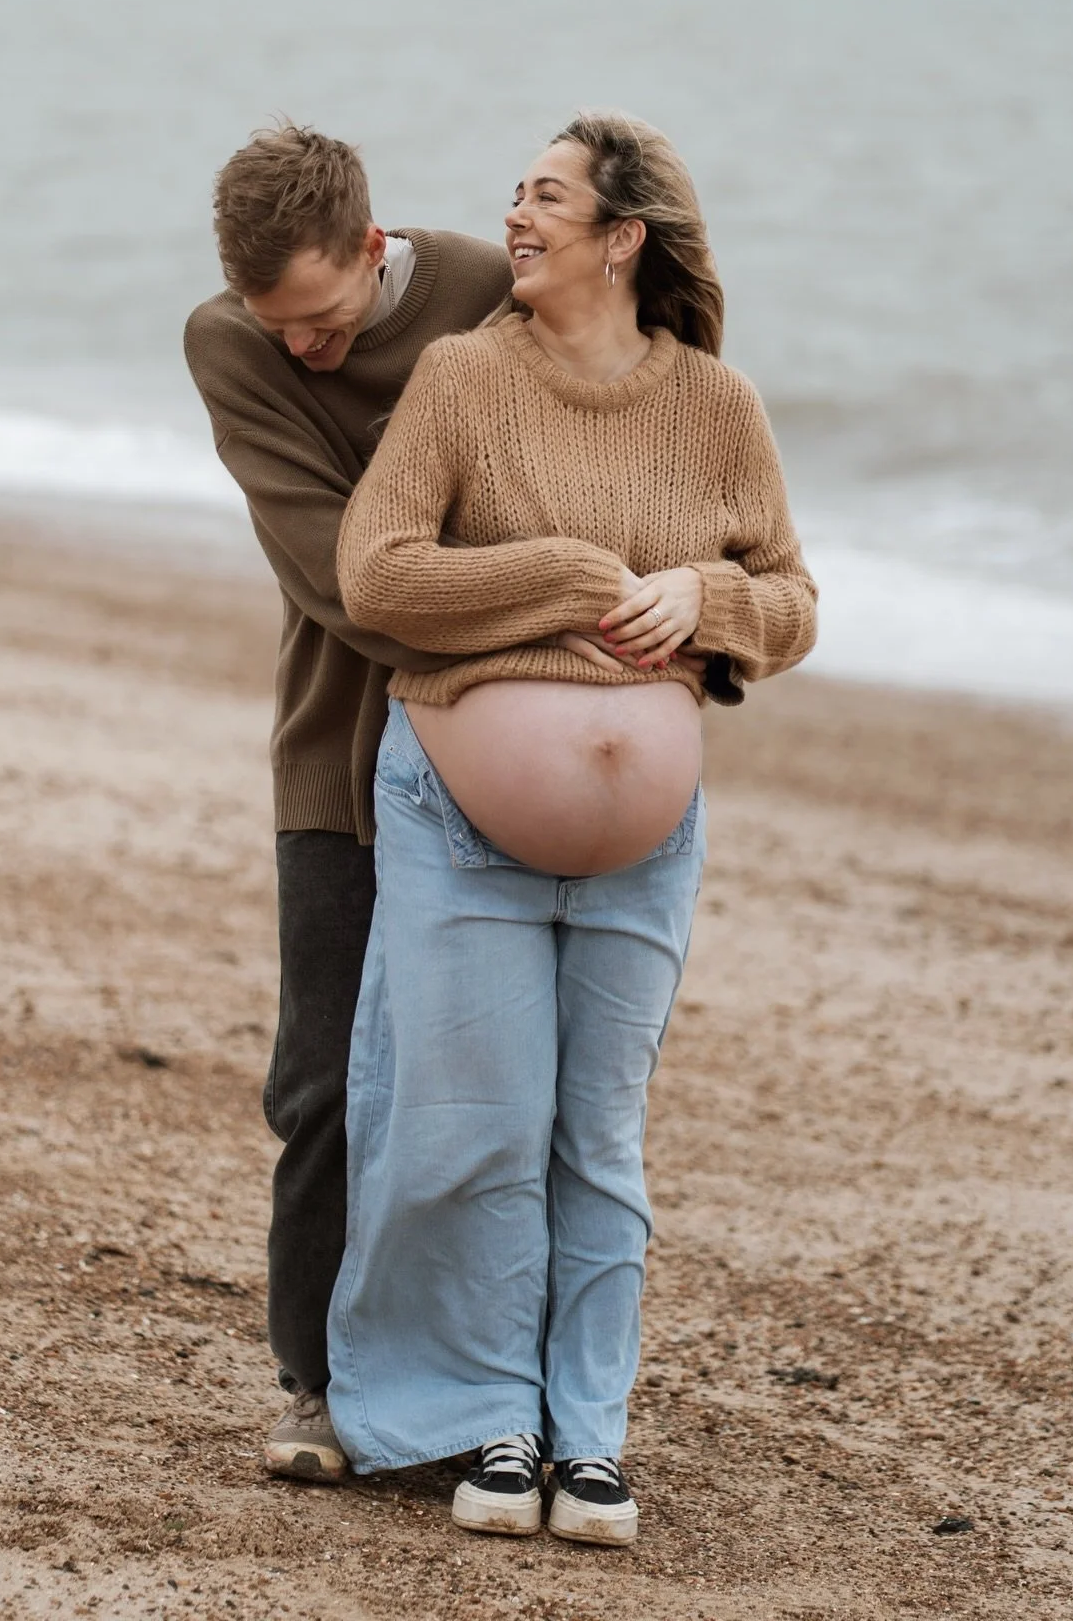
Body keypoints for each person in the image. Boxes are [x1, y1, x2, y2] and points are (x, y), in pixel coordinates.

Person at [329, 112, 817, 1546]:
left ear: (624, 237)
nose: (514, 219)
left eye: (545, 199)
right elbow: (379, 576)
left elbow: (790, 599)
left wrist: (703, 603)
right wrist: (573, 576)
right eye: (516, 196)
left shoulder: (716, 405)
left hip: (641, 844)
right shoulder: (463, 377)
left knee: (597, 1141)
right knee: (474, 1128)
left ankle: (588, 1440)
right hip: (460, 822)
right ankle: (486, 1417)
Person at [181, 124, 512, 1481]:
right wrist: (541, 605)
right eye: (283, 329)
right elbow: (346, 582)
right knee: (322, 1086)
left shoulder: (495, 290)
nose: (304, 351)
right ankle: (315, 1385)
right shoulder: (230, 344)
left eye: (323, 324)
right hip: (335, 756)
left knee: (477, 1090)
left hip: (495, 751)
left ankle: (477, 1389)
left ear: (374, 252)